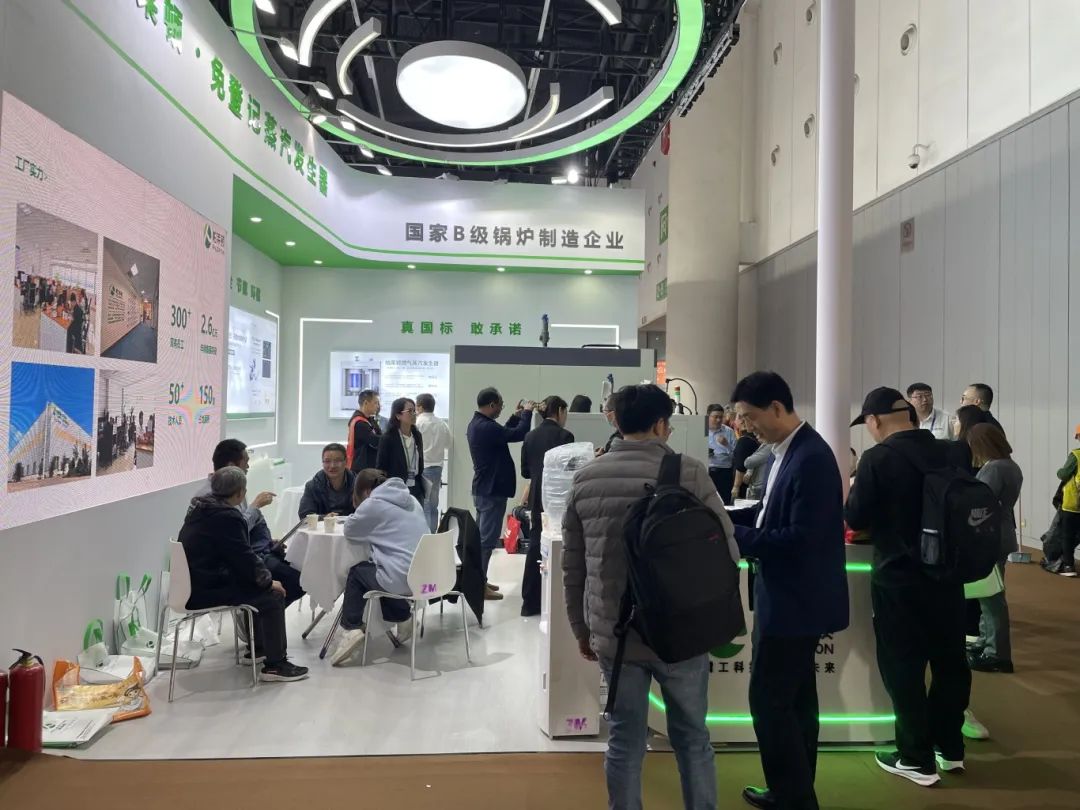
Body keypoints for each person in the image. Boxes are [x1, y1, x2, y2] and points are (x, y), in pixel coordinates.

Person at [562, 384, 739, 810]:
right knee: (693, 738)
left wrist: (581, 629)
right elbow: (728, 552)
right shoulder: (689, 472)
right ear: (661, 424)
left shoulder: (586, 478)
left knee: (625, 740)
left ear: (616, 422)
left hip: (616, 634)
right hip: (681, 631)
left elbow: (574, 566)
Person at [729, 372, 849, 810]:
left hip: (794, 601)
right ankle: (795, 791)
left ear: (777, 408)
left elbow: (800, 538)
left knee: (770, 701)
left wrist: (734, 537)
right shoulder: (788, 452)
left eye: (749, 417)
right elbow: (768, 513)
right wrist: (725, 516)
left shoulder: (811, 458)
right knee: (796, 701)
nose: (745, 427)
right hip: (787, 597)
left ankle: (791, 796)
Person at [846, 387, 970, 787]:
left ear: (874, 421)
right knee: (950, 664)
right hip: (948, 577)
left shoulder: (877, 458)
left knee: (904, 667)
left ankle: (916, 757)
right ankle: (950, 747)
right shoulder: (951, 452)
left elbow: (856, 515)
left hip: (899, 579)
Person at [178, 467, 308, 682]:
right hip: (207, 587)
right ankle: (275, 665)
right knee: (272, 595)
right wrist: (268, 582)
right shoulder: (227, 517)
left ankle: (259, 649)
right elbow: (243, 558)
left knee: (259, 586)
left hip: (196, 582)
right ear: (240, 493)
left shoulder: (199, 509)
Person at [330, 470, 427, 666]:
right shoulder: (412, 500)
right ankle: (404, 618)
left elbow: (350, 531)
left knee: (358, 572)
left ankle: (351, 629)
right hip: (427, 579)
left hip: (401, 579)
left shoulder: (373, 504)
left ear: (366, 492)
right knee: (381, 570)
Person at [196, 440, 303, 608]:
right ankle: (262, 614)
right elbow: (234, 532)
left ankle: (264, 614)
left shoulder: (231, 488)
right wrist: (255, 507)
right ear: (232, 466)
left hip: (247, 553)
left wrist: (268, 542)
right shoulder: (210, 499)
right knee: (293, 581)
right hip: (229, 566)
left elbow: (238, 531)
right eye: (245, 462)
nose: (248, 467)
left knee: (297, 573)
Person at [965, 424, 1023, 674]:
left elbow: (979, 502)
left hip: (990, 537)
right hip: (1002, 533)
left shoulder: (995, 468)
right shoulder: (1011, 466)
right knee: (988, 593)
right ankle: (986, 641)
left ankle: (996, 653)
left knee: (991, 598)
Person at [466, 387, 533, 584]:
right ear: (492, 404)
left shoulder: (480, 424)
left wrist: (515, 416)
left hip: (485, 489)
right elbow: (519, 433)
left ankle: (480, 581)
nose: (501, 409)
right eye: (501, 405)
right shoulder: (486, 427)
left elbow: (504, 433)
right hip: (491, 491)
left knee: (483, 539)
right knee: (487, 541)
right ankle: (479, 585)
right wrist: (527, 413)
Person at [520, 395, 575, 617]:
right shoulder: (565, 436)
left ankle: (529, 602)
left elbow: (525, 471)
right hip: (558, 497)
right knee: (559, 543)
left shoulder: (530, 436)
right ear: (560, 411)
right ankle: (555, 601)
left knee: (536, 543)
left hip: (537, 496)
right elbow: (569, 470)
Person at [376, 397, 426, 504]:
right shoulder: (388, 438)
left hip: (416, 486)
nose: (414, 414)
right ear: (398, 415)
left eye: (414, 411)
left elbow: (420, 461)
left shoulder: (417, 435)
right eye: (410, 411)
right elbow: (381, 467)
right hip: (396, 488)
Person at [415, 393, 452, 532]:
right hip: (438, 467)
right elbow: (448, 444)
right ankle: (433, 534)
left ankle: (426, 536)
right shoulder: (442, 423)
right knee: (434, 505)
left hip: (423, 468)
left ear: (420, 407)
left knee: (424, 504)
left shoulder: (418, 423)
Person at [298, 443, 356, 519]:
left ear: (346, 462)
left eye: (337, 460)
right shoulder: (312, 486)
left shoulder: (358, 484)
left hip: (351, 525)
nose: (332, 466)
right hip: (323, 526)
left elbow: (366, 513)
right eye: (327, 461)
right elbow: (304, 515)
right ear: (323, 463)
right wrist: (324, 518)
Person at [1054, 424, 1080, 578]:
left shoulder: (1076, 455)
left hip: (1073, 503)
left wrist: (1059, 471)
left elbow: (1064, 474)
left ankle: (1069, 566)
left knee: (1068, 535)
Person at [705, 404, 738, 505]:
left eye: (721, 417)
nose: (719, 420)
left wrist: (727, 445)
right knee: (705, 502)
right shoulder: (701, 430)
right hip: (706, 471)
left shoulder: (729, 432)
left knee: (724, 503)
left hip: (724, 472)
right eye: (715, 417)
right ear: (708, 417)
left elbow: (737, 455)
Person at [347, 389, 382, 473]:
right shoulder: (359, 423)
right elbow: (375, 440)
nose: (378, 406)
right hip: (362, 469)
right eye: (375, 403)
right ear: (366, 403)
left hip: (368, 466)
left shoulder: (370, 420)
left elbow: (379, 434)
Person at [948, 405, 989, 475]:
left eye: (956, 420)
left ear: (965, 423)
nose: (953, 423)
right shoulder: (986, 445)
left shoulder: (956, 448)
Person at [731, 417, 761, 501]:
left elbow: (741, 466)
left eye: (736, 418)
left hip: (744, 483)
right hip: (754, 480)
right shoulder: (756, 437)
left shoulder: (744, 441)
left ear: (741, 422)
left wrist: (736, 486)